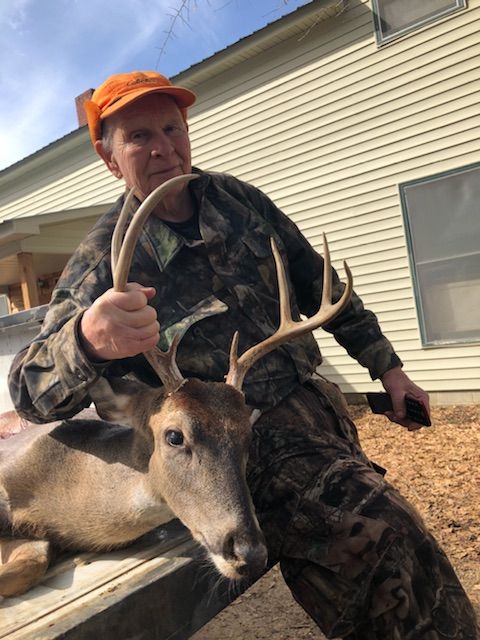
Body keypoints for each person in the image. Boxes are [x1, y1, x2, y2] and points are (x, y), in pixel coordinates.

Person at [8, 71, 478, 639]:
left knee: (403, 558)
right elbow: (28, 391)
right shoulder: (103, 260)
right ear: (110, 159)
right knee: (380, 542)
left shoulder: (239, 200)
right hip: (229, 449)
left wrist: (388, 368)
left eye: (171, 128)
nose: (162, 147)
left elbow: (318, 283)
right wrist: (86, 340)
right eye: (138, 136)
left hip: (321, 413)